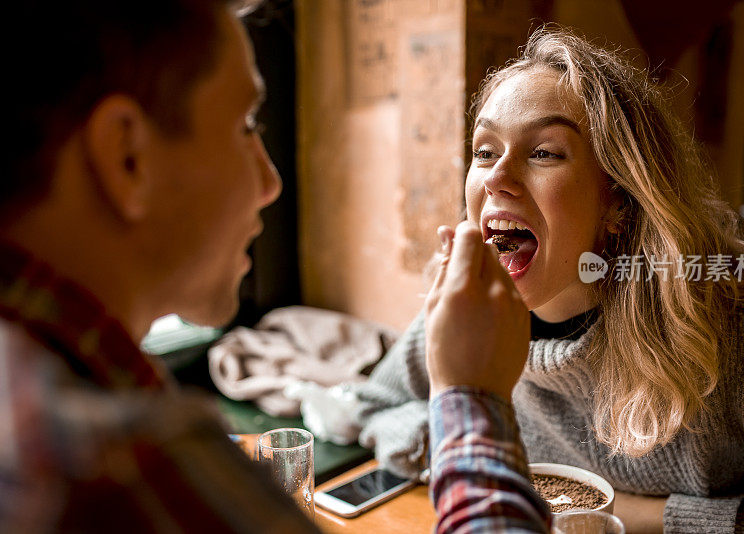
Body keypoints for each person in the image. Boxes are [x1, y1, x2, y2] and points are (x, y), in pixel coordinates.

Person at [1, 1, 552, 532]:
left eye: (546, 152)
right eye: (245, 126)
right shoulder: (122, 465)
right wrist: (471, 399)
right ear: (127, 158)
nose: (271, 183)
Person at [350, 26, 744, 533]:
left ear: (619, 203)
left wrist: (661, 518)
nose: (497, 176)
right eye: (483, 150)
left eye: (544, 152)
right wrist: (478, 452)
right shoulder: (472, 313)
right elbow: (376, 405)